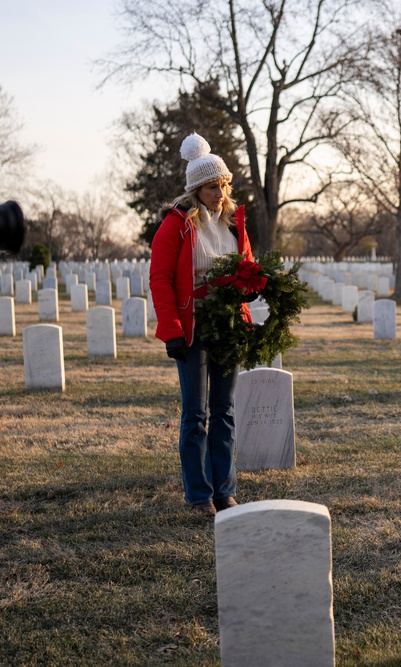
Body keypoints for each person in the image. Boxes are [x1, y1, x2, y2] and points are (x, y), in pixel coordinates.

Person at [149, 133, 254, 519]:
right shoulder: (175, 225)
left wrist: (254, 286)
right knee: (196, 414)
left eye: (224, 185)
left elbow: (246, 266)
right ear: (196, 190)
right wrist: (171, 330)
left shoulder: (234, 223)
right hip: (192, 328)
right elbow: (160, 279)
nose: (220, 193)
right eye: (213, 187)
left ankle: (224, 490)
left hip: (228, 327)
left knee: (224, 410)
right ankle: (198, 495)